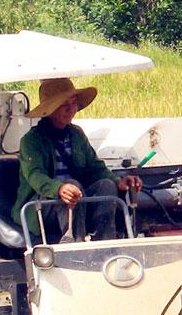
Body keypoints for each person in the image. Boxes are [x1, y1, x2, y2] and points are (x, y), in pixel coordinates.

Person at [14, 77, 142, 243]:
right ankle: (76, 244)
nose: (71, 109)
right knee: (73, 186)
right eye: (63, 105)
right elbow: (35, 176)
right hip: (44, 205)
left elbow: (95, 168)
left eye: (73, 103)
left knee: (106, 185)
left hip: (80, 200)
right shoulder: (31, 141)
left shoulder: (77, 135)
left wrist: (118, 182)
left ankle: (106, 244)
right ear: (50, 110)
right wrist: (59, 189)